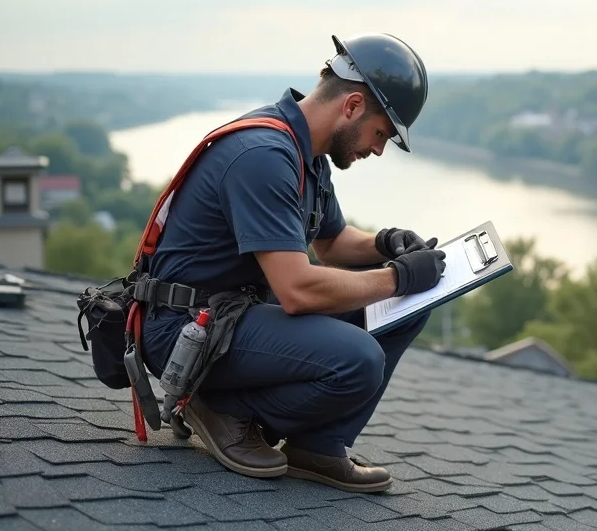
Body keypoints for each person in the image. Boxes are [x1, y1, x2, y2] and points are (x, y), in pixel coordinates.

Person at [139, 33, 446, 493]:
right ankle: (219, 405)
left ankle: (318, 446)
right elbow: (298, 291)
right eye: (381, 134)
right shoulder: (264, 155)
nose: (378, 150)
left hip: (233, 318)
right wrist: (398, 277)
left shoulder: (309, 154)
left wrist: (388, 244)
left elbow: (334, 242)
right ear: (352, 106)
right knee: (359, 358)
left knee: (408, 308)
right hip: (187, 330)